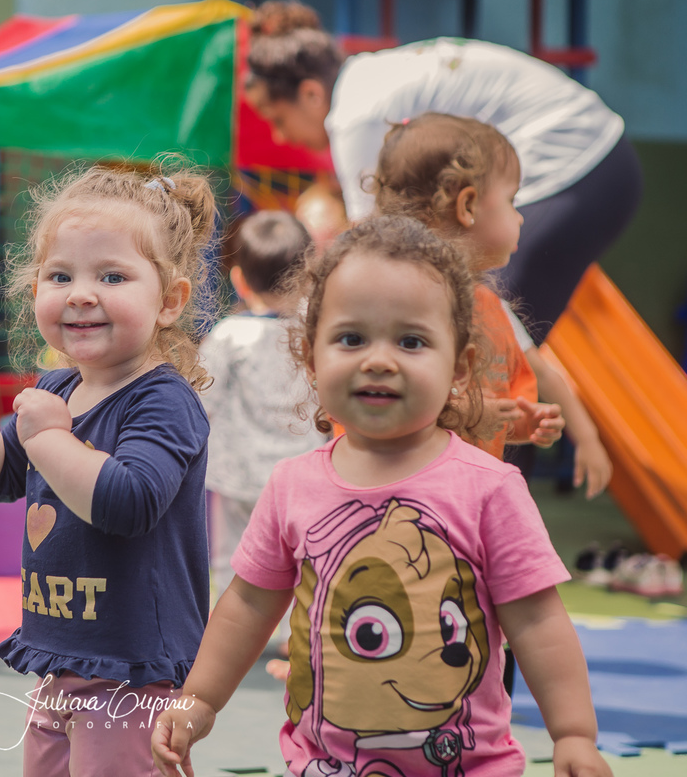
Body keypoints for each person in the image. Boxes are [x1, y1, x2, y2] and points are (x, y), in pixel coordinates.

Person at [152, 216, 612, 777]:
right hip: (327, 767)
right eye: (351, 339)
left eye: (411, 341)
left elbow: (538, 622)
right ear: (311, 358)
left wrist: (573, 734)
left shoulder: (489, 489)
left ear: (460, 366)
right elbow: (248, 604)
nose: (378, 360)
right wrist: (199, 700)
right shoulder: (293, 485)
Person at [0, 165, 215, 776]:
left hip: (132, 670)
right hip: (62, 659)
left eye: (112, 276)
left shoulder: (162, 401)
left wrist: (49, 436)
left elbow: (128, 502)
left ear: (169, 301)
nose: (81, 293)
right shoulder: (58, 390)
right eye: (60, 276)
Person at [244, 0, 642, 345]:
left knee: (485, 336)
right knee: (479, 332)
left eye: (277, 118)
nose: (280, 136)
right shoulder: (368, 78)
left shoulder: (354, 115)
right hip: (599, 162)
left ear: (311, 94)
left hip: (576, 165)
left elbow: (371, 244)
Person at [373, 112, 611, 496]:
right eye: (512, 200)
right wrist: (462, 411)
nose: (521, 217)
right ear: (468, 206)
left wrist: (520, 424)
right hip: (406, 502)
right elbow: (377, 395)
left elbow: (500, 401)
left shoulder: (488, 306)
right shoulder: (397, 301)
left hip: (468, 497)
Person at [201, 210, 326, 603]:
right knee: (300, 558)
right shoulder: (315, 333)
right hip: (300, 471)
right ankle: (293, 629)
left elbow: (203, 399)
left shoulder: (229, 335)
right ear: (307, 277)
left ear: (239, 279)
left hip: (237, 473)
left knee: (231, 558)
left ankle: (230, 622)